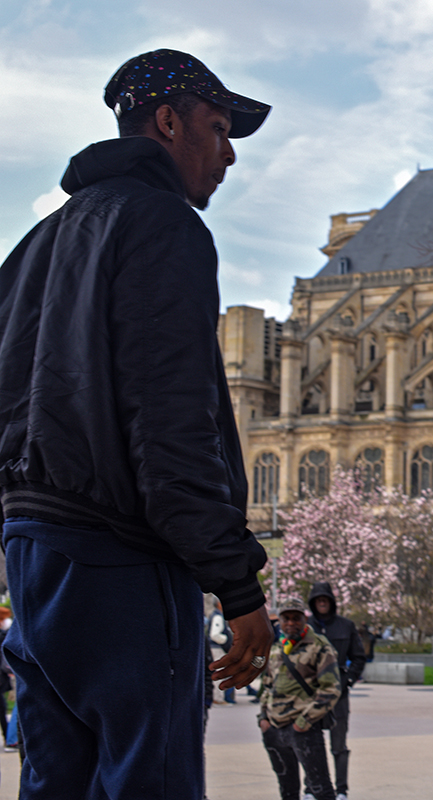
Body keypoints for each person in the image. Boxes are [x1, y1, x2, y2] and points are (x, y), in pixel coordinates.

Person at [0, 49, 274, 798]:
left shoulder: (34, 246)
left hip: (33, 558)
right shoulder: (163, 226)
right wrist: (238, 587)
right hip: (121, 557)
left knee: (56, 781)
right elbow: (170, 426)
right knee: (149, 780)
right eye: (218, 130)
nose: (227, 155)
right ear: (167, 120)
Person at [259, 597, 342, 800]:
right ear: (279, 620)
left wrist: (303, 722)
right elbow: (267, 684)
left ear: (304, 619)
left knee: (320, 787)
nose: (290, 623)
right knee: (287, 788)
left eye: (296, 618)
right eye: (286, 618)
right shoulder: (277, 647)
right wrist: (263, 718)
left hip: (303, 728)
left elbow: (331, 688)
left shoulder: (319, 646)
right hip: (274, 728)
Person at [305, 583, 367, 800]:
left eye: (326, 599)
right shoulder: (305, 626)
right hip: (311, 692)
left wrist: (348, 679)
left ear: (331, 602)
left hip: (338, 693)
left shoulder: (345, 626)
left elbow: (359, 656)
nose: (322, 603)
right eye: (318, 600)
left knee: (338, 744)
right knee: (309, 742)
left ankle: (341, 790)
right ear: (313, 603)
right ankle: (311, 788)